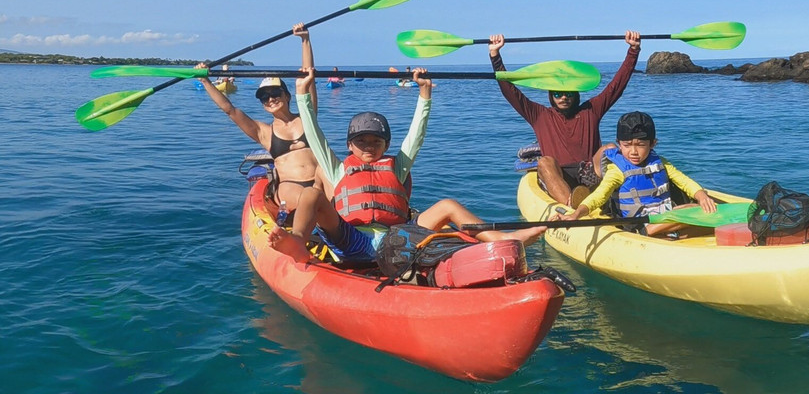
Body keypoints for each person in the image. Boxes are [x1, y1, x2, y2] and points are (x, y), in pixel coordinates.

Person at [268, 63, 545, 263]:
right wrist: (303, 95)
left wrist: (424, 94)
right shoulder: (337, 168)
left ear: (386, 145)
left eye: (376, 142)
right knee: (312, 193)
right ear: (349, 145)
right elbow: (314, 135)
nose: (369, 147)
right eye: (361, 141)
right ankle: (298, 243)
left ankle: (502, 239)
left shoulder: (397, 166)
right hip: (351, 239)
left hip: (396, 241)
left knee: (447, 206)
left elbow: (416, 135)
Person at [489, 30, 641, 207]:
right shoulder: (539, 115)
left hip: (589, 173)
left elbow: (616, 86)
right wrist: (495, 55)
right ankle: (572, 206)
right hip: (558, 176)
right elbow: (511, 92)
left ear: (576, 94)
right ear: (551, 96)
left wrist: (633, 51)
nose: (563, 98)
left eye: (569, 93)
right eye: (558, 94)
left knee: (609, 148)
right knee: (545, 162)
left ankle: (619, 198)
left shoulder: (591, 110)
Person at [196, 24, 324, 215]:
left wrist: (305, 40)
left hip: (320, 182)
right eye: (265, 97)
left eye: (275, 93)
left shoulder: (308, 116)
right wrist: (205, 81)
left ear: (287, 96)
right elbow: (229, 110)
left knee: (324, 191)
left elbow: (308, 75)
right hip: (291, 188)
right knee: (309, 201)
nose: (271, 99)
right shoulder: (264, 132)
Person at [552, 111, 717, 237]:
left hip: (662, 214)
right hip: (637, 224)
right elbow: (600, 195)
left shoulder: (660, 162)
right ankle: (650, 230)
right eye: (627, 145)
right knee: (692, 211)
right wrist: (576, 214)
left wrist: (701, 196)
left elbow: (683, 181)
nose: (633, 152)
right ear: (619, 144)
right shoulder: (617, 170)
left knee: (697, 207)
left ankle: (667, 227)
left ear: (653, 143)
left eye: (640, 145)